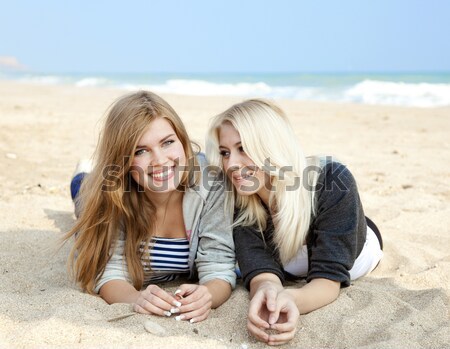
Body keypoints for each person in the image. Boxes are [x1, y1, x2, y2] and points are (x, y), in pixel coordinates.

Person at [206, 99, 383, 345]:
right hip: (296, 263)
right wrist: (268, 293)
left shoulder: (332, 180)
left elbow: (327, 281)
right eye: (225, 153)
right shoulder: (240, 200)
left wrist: (292, 300)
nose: (231, 164)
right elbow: (262, 272)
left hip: (357, 248)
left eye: (243, 148)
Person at [64, 91, 235, 324]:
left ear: (183, 142)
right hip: (99, 189)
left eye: (168, 142)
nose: (160, 159)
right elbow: (109, 273)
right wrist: (135, 298)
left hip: (190, 170)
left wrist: (208, 295)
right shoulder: (113, 194)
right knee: (83, 194)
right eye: (140, 151)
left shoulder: (212, 186)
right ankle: (83, 173)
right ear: (123, 160)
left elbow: (219, 267)